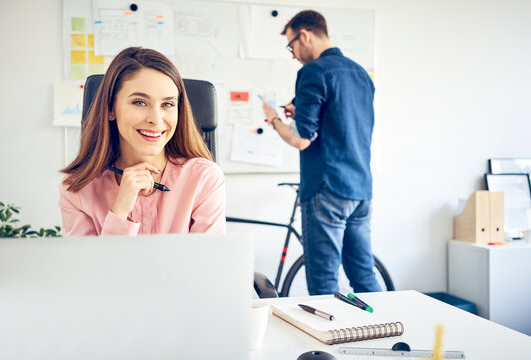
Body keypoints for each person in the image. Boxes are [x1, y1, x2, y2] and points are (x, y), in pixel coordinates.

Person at [262, 10, 381, 295]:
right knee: (364, 276)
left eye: (291, 46)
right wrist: (300, 110)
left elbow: (301, 140)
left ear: (304, 35)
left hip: (327, 190)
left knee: (324, 283)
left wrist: (274, 119)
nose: (293, 54)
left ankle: (333, 341)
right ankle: (386, 334)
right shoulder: (360, 73)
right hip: (360, 189)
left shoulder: (313, 71)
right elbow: (340, 121)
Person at [59, 47, 225, 236]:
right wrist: (120, 211)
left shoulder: (203, 178)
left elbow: (209, 263)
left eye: (168, 104)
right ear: (110, 108)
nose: (156, 118)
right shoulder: (77, 189)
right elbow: (89, 265)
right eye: (139, 102)